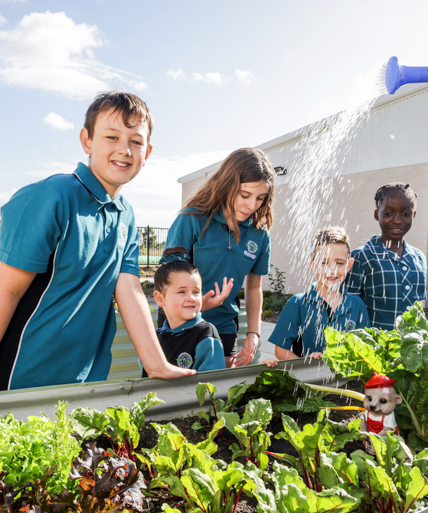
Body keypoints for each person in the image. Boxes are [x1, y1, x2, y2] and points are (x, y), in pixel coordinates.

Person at [0, 92, 194, 421]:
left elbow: (129, 289)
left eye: (135, 141)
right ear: (86, 140)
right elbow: (6, 290)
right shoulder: (51, 197)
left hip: (82, 379)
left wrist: (155, 363)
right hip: (21, 377)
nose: (124, 149)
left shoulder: (126, 215)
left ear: (147, 152)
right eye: (112, 137)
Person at [160, 148, 274, 367]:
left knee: (217, 393)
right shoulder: (191, 219)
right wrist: (200, 304)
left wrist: (254, 333)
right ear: (227, 185)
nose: (252, 205)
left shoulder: (260, 233)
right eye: (245, 195)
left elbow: (253, 287)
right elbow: (167, 280)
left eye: (260, 198)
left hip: (223, 325)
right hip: (178, 322)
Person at [266, 226, 369, 362]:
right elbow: (280, 350)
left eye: (339, 263)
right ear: (312, 264)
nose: (332, 270)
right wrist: (306, 366)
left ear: (349, 265)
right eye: (324, 262)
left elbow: (364, 349)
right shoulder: (297, 303)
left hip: (346, 381)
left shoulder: (357, 305)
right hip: (308, 382)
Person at [345, 182, 427, 330]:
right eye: (388, 214)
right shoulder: (361, 257)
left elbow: (419, 308)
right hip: (375, 349)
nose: (397, 220)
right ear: (377, 215)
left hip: (412, 349)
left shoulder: (419, 258)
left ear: (414, 215)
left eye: (406, 214)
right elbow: (348, 310)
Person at [148, 259, 224, 374]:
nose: (192, 298)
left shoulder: (206, 335)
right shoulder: (154, 339)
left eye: (196, 292)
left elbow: (211, 385)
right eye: (182, 292)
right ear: (160, 299)